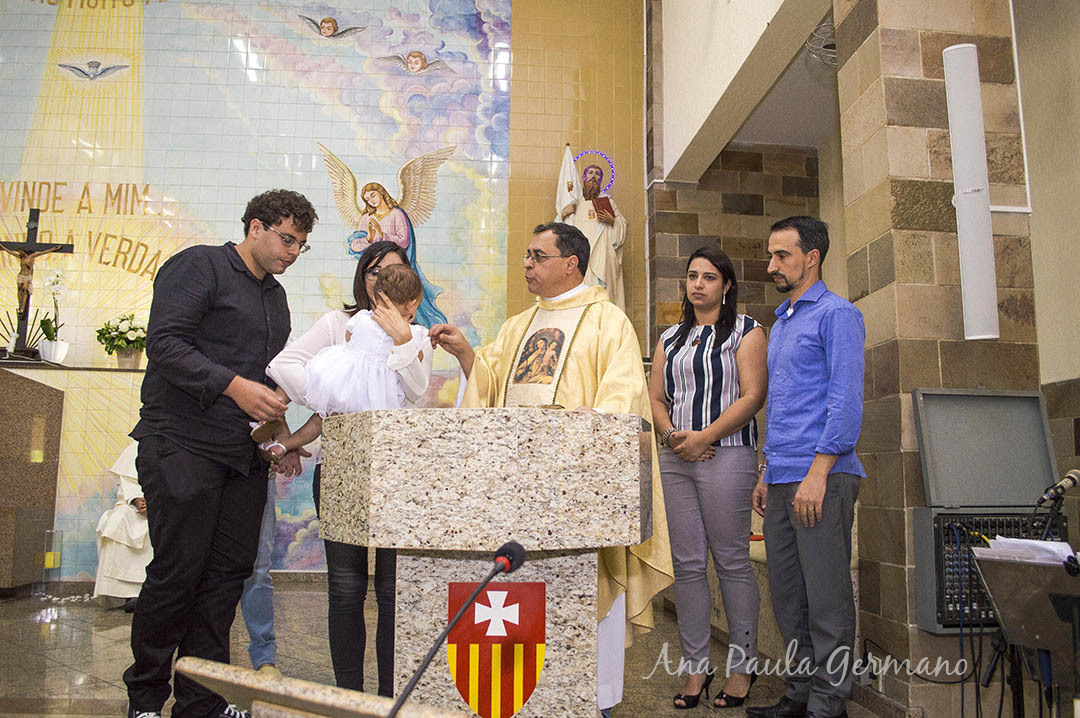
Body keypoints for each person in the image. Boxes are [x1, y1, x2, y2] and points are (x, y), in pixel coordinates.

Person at [429, 222, 673, 716]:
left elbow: (624, 392)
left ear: (571, 264)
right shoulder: (518, 324)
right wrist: (466, 354)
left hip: (578, 492)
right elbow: (491, 381)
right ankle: (527, 694)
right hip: (519, 492)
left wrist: (595, 421)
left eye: (538, 256)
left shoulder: (608, 321)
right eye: (526, 255)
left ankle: (592, 703)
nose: (527, 264)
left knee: (585, 594)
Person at [123, 189, 317, 718]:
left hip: (242, 457)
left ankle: (200, 700)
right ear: (255, 227)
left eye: (302, 244)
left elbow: (266, 378)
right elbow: (165, 344)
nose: (293, 252)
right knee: (178, 573)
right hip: (181, 443)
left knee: (226, 578)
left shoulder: (275, 297)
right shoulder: (199, 266)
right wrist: (234, 386)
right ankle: (144, 697)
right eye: (286, 239)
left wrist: (277, 428)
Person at [265, 242, 433, 697]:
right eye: (377, 272)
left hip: (398, 476)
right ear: (364, 278)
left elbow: (418, 393)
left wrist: (402, 338)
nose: (384, 280)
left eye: (396, 271)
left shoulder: (418, 334)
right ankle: (349, 697)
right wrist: (331, 401)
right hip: (341, 468)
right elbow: (284, 365)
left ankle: (389, 698)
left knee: (394, 592)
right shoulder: (343, 324)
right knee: (344, 589)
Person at [747, 216, 865, 718]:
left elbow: (844, 400)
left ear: (811, 257)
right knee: (789, 596)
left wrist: (818, 472)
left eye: (782, 256)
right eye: (771, 255)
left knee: (827, 599)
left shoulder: (837, 315)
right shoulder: (784, 321)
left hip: (824, 476)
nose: (772, 265)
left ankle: (828, 705)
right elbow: (786, 405)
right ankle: (799, 694)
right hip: (782, 477)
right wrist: (767, 470)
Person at [648, 247, 767, 710]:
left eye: (710, 277)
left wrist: (704, 437)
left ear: (726, 285)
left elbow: (754, 395)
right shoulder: (670, 338)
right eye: (693, 276)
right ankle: (695, 666)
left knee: (732, 561)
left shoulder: (747, 331)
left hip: (727, 453)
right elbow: (656, 396)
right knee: (689, 565)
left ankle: (742, 666)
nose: (698, 284)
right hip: (677, 458)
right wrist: (675, 435)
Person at [350, 182, 446, 328]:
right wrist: (369, 238)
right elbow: (355, 244)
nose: (371, 201)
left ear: (381, 192)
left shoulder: (396, 214)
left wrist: (382, 234)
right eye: (375, 272)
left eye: (373, 195)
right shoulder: (366, 218)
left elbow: (404, 240)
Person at [556, 164, 627, 312]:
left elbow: (622, 229)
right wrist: (563, 215)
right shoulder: (575, 204)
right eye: (591, 173)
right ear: (583, 178)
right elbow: (558, 234)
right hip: (580, 260)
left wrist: (612, 221)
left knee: (600, 303)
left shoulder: (608, 203)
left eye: (598, 175)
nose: (594, 177)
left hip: (602, 258)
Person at [94, 441, 150, 612]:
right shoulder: (135, 447)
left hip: (164, 508)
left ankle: (147, 593)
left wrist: (156, 502)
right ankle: (126, 593)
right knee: (117, 519)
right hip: (134, 508)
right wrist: (136, 499)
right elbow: (128, 483)